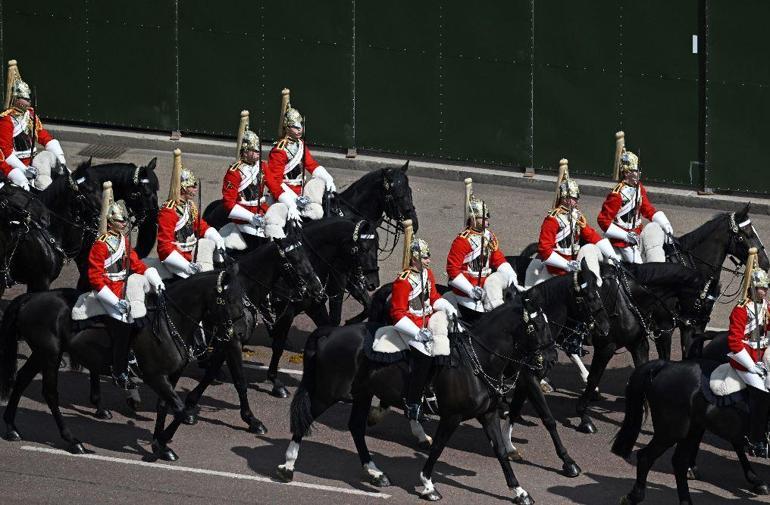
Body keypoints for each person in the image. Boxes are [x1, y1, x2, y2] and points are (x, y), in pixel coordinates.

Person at [87, 182, 164, 389]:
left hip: (123, 286)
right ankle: (118, 370)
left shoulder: (122, 240)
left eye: (124, 221)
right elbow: (95, 277)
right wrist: (114, 301)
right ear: (111, 222)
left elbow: (135, 263)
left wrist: (152, 275)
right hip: (108, 290)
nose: (124, 224)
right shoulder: (101, 244)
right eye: (121, 221)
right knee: (124, 324)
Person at [390, 237, 456, 421]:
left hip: (425, 322)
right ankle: (412, 404)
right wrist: (417, 332)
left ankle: (430, 388)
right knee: (424, 357)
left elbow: (433, 298)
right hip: (409, 326)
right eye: (426, 257)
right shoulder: (403, 281)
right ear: (416, 258)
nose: (429, 260)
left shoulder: (428, 274)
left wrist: (448, 308)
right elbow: (397, 313)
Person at [526, 161, 619, 287]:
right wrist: (566, 264)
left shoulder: (577, 215)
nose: (575, 201)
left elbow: (591, 235)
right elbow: (545, 249)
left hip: (574, 265)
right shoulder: (552, 219)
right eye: (572, 198)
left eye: (576, 198)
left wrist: (612, 256)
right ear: (564, 198)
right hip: (556, 270)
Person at [263, 92, 335, 238]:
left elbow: (312, 165)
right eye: (295, 127)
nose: (300, 129)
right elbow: (274, 182)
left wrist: (328, 178)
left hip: (301, 190)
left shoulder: (301, 144)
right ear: (287, 128)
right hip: (285, 193)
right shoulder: (279, 150)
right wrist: (291, 201)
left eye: (300, 125)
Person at [446, 190, 521, 319]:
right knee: (481, 318)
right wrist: (470, 290)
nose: (487, 220)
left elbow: (497, 258)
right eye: (483, 218)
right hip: (467, 292)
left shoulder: (489, 236)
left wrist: (511, 274)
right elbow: (452, 270)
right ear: (474, 218)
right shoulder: (462, 241)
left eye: (487, 218)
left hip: (487, 285)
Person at [597, 148, 673, 263]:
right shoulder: (617, 195)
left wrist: (664, 223)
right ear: (627, 173)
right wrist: (625, 236)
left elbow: (647, 209)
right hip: (623, 242)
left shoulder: (639, 187)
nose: (639, 173)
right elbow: (603, 221)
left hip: (638, 233)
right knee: (639, 266)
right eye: (635, 170)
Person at [0, 60, 66, 191]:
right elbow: (6, 153)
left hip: (33, 159)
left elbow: (44, 137)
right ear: (16, 99)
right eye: (25, 98)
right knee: (24, 186)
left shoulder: (29, 114)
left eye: (29, 97)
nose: (29, 100)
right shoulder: (6, 120)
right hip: (18, 163)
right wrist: (24, 169)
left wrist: (61, 160)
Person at [158, 149, 224, 278]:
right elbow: (164, 247)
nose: (195, 189)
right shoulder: (169, 211)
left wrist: (216, 237)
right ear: (183, 188)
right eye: (192, 186)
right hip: (177, 260)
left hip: (192, 253)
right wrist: (186, 266)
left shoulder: (189, 206)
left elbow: (201, 226)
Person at [727, 266, 770, 457]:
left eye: (766, 287)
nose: (765, 290)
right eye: (761, 287)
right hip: (745, 358)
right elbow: (734, 342)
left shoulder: (766, 306)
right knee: (762, 394)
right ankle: (755, 439)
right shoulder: (741, 309)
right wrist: (752, 366)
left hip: (763, 355)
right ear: (752, 288)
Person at [222, 111, 269, 248]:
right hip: (244, 218)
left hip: (261, 210)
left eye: (258, 150)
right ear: (245, 151)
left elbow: (275, 185)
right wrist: (250, 217)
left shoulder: (262, 166)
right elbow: (229, 204)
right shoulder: (235, 172)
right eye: (254, 150)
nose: (257, 153)